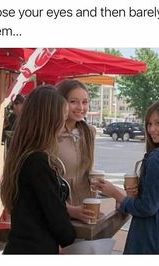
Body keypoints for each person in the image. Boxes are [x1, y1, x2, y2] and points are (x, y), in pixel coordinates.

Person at [95, 99, 159, 254]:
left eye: (158, 123)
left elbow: (147, 208)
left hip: (152, 232)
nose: (152, 129)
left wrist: (114, 192)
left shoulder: (157, 157)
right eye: (149, 124)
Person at [0, 85, 76, 254]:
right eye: (62, 120)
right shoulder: (38, 162)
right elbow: (57, 220)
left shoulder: (24, 155)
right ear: (50, 121)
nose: (63, 127)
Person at [55, 79, 96, 223]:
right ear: (60, 103)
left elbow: (88, 171)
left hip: (86, 207)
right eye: (73, 101)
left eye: (85, 102)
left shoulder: (89, 132)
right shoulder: (51, 133)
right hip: (58, 208)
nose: (81, 107)